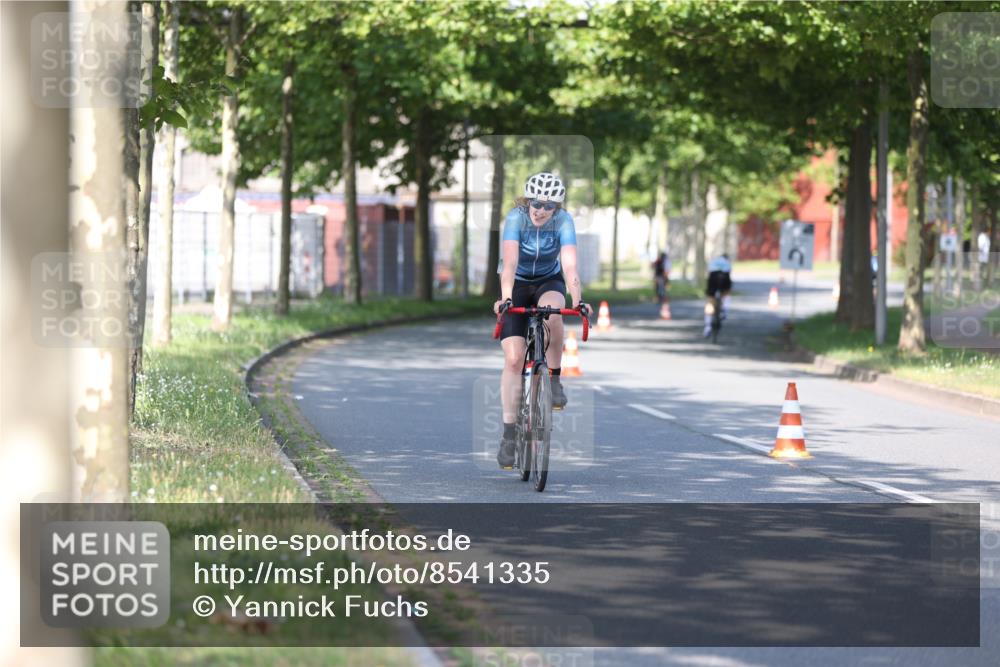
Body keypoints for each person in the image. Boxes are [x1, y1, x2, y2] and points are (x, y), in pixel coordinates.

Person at [493, 172, 590, 469]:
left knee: (554, 314)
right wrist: (506, 298)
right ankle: (509, 434)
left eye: (548, 206)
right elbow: (510, 264)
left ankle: (555, 380)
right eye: (536, 203)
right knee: (513, 359)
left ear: (556, 207)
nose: (541, 210)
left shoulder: (564, 221)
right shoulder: (516, 218)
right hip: (517, 283)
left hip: (549, 280)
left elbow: (570, 266)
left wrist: (578, 300)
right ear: (527, 201)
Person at [703, 254, 732, 338]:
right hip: (724, 276)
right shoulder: (727, 262)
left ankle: (707, 326)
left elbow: (709, 272)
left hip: (713, 277)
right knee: (726, 293)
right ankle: (725, 310)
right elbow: (729, 273)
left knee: (710, 301)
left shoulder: (714, 261)